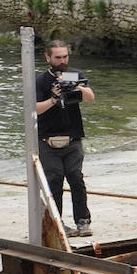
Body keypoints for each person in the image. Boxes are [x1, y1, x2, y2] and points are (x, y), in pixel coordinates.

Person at [34, 41, 96, 237]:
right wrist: (53, 98)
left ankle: (83, 221)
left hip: (73, 138)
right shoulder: (41, 81)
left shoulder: (73, 74)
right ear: (48, 58)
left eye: (65, 57)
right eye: (58, 57)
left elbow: (90, 97)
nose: (62, 61)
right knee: (54, 181)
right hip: (48, 140)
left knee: (76, 179)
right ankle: (57, 222)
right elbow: (34, 108)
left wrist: (76, 86)